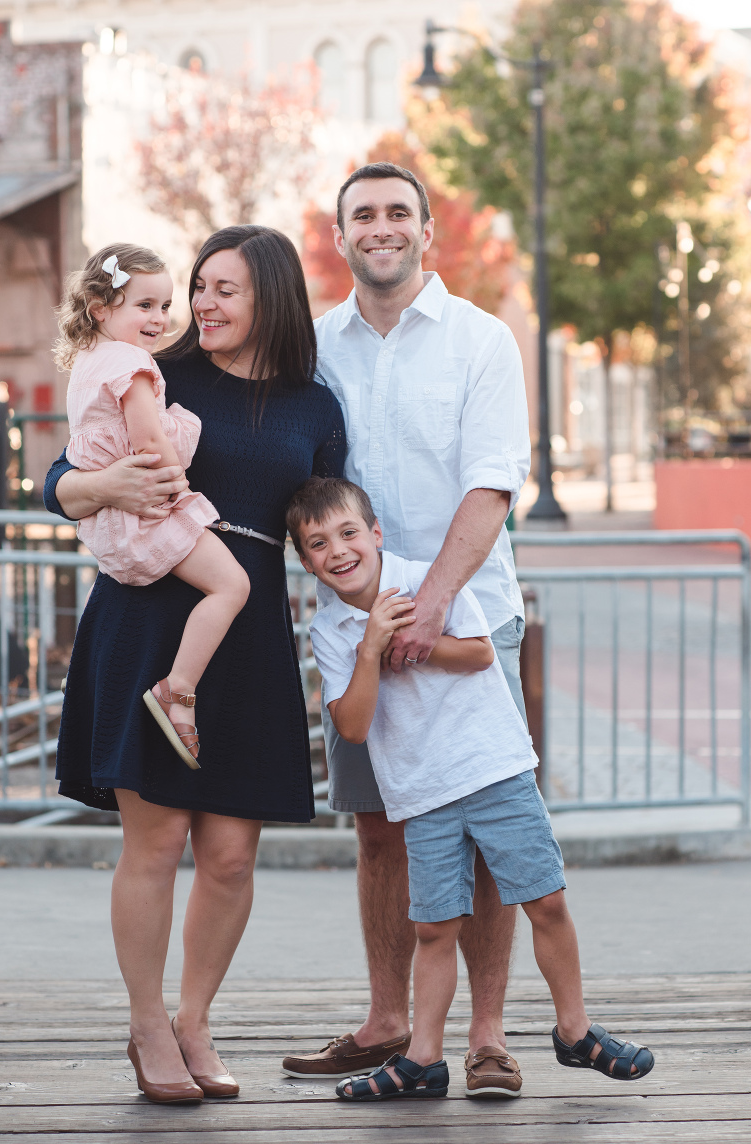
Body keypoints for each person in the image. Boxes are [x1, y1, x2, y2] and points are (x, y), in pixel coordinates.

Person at [42, 226, 345, 1104]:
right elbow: (59, 479)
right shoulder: (154, 365)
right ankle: (146, 1026)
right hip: (146, 619)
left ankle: (194, 1022)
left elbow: (331, 519)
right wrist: (104, 488)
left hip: (246, 630)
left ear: (270, 297)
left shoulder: (315, 406)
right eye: (198, 286)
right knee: (157, 839)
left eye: (223, 289)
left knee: (231, 857)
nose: (201, 305)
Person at [281, 162, 532, 1096]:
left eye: (398, 212)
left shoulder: (481, 340)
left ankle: (487, 1037)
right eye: (363, 215)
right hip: (359, 632)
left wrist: (431, 605)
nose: (380, 227)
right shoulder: (310, 350)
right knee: (380, 828)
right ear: (340, 237)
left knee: (488, 830)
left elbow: (493, 483)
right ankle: (388, 1022)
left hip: (472, 617)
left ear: (427, 230)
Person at [287, 476, 655, 1101]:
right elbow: (351, 726)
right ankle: (423, 1060)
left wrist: (412, 640)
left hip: (492, 769)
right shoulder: (332, 629)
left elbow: (481, 654)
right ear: (304, 559)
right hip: (421, 793)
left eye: (349, 533)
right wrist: (371, 646)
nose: (338, 551)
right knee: (434, 927)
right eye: (318, 543)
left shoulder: (426, 582)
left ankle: (575, 1030)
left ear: (375, 534)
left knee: (546, 900)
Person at [57, 243, 250, 769]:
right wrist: (179, 489)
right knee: (232, 586)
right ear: (100, 309)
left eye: (165, 306)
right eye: (144, 306)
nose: (160, 319)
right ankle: (177, 690)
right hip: (146, 515)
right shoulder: (132, 362)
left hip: (111, 529)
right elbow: (147, 440)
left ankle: (166, 685)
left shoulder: (88, 363)